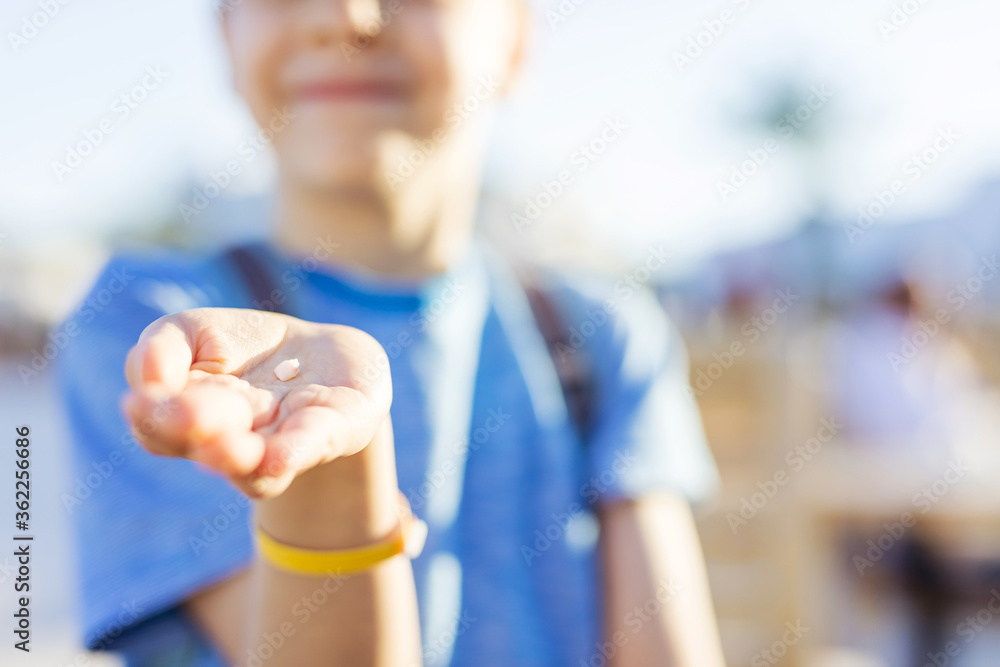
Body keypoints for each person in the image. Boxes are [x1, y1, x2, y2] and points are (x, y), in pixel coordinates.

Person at [58, 0, 725, 665]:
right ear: (227, 36)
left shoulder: (602, 335)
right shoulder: (161, 339)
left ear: (516, 37)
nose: (344, 17)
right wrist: (329, 486)